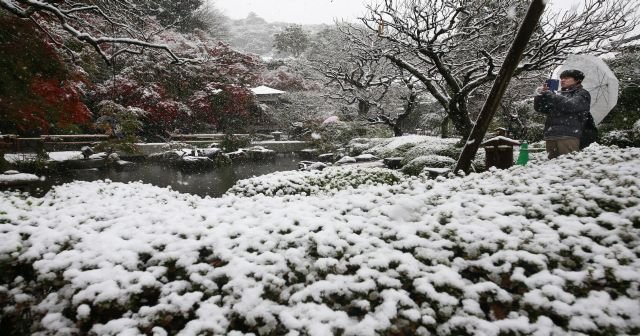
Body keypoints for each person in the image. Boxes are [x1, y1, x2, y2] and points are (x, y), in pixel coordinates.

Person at [534, 69, 592, 159]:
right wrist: (540, 95)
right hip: (551, 135)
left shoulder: (582, 93)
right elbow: (541, 109)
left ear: (577, 80)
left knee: (568, 164)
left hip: (568, 136)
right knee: (551, 168)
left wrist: (552, 95)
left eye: (566, 78)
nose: (562, 80)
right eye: (561, 78)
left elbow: (571, 106)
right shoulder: (558, 94)